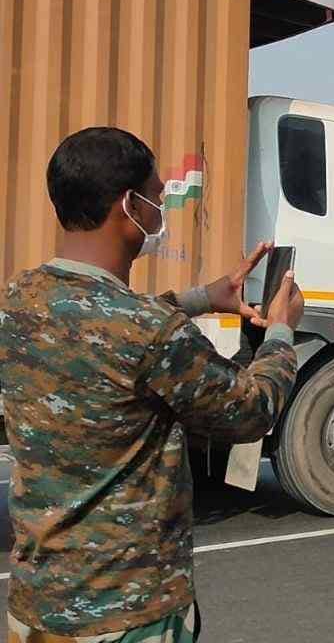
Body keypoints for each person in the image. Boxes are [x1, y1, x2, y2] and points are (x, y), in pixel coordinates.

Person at [0, 127, 304, 643]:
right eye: (157, 198)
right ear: (130, 206)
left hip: (36, 609)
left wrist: (205, 297)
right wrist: (280, 330)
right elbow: (252, 408)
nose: (160, 212)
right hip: (127, 615)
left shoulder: (19, 299)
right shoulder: (150, 332)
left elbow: (103, 330)